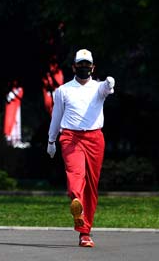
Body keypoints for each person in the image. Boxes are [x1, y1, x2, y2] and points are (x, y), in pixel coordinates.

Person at [47, 48, 115, 248]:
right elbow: (56, 116)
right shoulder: (63, 90)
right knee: (76, 174)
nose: (84, 67)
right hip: (70, 137)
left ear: (93, 67)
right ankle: (76, 202)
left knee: (92, 186)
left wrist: (110, 83)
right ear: (74, 67)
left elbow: (107, 89)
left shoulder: (98, 87)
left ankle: (85, 233)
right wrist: (51, 141)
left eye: (87, 64)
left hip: (95, 138)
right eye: (80, 64)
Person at [3, 80, 24, 146]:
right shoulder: (10, 90)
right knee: (10, 121)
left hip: (17, 107)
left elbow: (20, 95)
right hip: (11, 108)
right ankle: (10, 139)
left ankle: (17, 140)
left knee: (17, 122)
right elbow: (8, 98)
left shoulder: (19, 89)